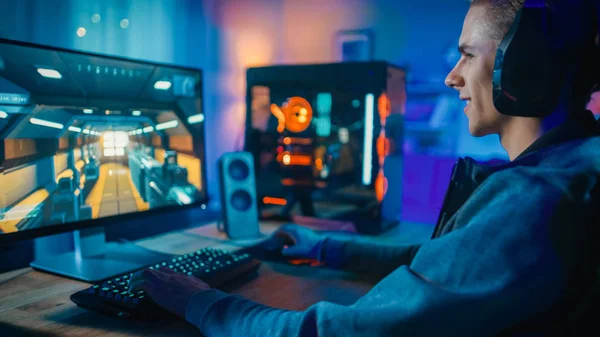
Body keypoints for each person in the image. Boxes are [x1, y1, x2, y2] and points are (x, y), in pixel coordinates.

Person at [130, 1, 600, 336]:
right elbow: (446, 268)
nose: (451, 75)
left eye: (468, 54)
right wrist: (327, 247)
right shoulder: (573, 165)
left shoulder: (534, 198)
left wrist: (199, 301)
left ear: (523, 68)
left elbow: (335, 331)